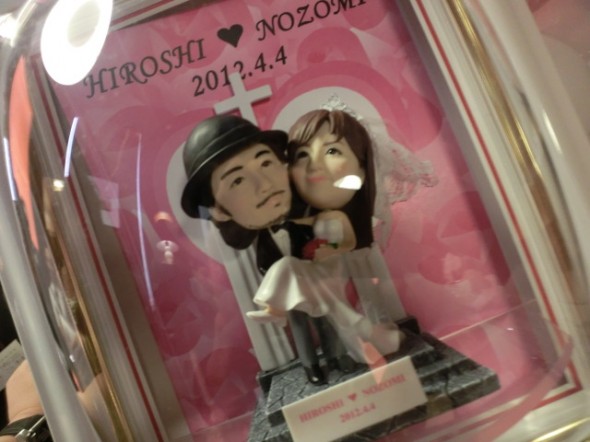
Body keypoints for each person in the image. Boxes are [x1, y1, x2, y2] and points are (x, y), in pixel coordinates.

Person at [180, 114, 351, 385]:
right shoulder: (262, 242)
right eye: (237, 180)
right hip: (288, 290)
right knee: (299, 325)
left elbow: (331, 241)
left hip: (314, 279)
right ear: (219, 210)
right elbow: (266, 265)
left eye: (266, 163)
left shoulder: (304, 222)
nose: (266, 185)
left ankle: (337, 356)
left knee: (325, 318)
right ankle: (311, 366)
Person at [247, 109, 404, 363]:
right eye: (302, 155)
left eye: (332, 150)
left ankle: (372, 339)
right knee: (289, 268)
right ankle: (274, 309)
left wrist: (332, 248)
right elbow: (301, 222)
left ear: (362, 170)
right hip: (318, 269)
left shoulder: (339, 217)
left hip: (333, 269)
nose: (314, 164)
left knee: (332, 303)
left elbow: (350, 242)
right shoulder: (317, 217)